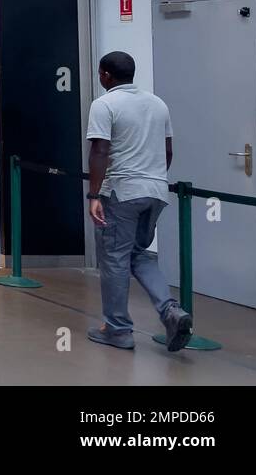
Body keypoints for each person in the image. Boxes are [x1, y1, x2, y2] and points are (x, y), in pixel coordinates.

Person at [86, 50, 192, 352]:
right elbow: (168, 150)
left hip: (121, 193)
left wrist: (94, 195)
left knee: (114, 260)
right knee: (137, 254)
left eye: (100, 73)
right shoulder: (158, 104)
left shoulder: (104, 104)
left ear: (105, 75)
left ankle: (117, 329)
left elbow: (100, 151)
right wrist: (152, 180)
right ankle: (171, 310)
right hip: (155, 191)